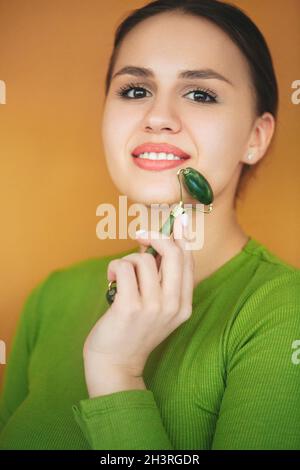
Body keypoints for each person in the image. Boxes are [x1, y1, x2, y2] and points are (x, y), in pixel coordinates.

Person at [0, 0, 299, 450]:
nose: (157, 117)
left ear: (256, 137)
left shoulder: (283, 313)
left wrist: (116, 372)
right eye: (135, 90)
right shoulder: (51, 298)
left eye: (200, 94)